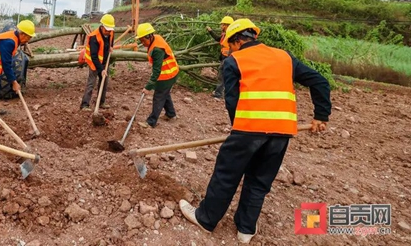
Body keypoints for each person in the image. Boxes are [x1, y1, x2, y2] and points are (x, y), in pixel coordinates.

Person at [179, 18, 332, 243]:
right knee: (259, 180)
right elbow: (319, 81)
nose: (229, 50)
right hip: (281, 132)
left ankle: (206, 219)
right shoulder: (284, 56)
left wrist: (238, 128)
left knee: (226, 176)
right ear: (254, 36)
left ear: (236, 41)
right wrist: (321, 115)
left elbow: (232, 101)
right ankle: (245, 230)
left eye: (230, 45)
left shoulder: (234, 61)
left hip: (248, 131)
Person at [135, 23, 179, 128]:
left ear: (149, 36)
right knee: (165, 94)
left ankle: (151, 122)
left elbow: (156, 70)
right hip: (170, 72)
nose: (142, 43)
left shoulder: (157, 50)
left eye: (143, 40)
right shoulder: (156, 38)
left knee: (158, 97)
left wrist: (148, 87)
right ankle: (171, 114)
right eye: (140, 40)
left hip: (167, 75)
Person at [80, 14, 115, 111]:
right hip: (94, 62)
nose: (108, 32)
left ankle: (101, 102)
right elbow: (94, 56)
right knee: (91, 83)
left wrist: (111, 46)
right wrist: (101, 69)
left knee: (104, 82)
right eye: (106, 30)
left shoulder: (111, 32)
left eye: (109, 30)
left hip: (104, 61)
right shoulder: (94, 37)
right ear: (102, 26)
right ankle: (84, 105)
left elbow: (111, 40)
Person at [206, 15, 234, 99]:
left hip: (227, 58)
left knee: (222, 76)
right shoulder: (225, 34)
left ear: (226, 25)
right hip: (225, 57)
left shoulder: (230, 36)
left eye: (222, 25)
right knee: (225, 76)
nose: (221, 26)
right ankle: (225, 92)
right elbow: (218, 39)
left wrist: (228, 59)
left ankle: (218, 93)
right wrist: (210, 31)